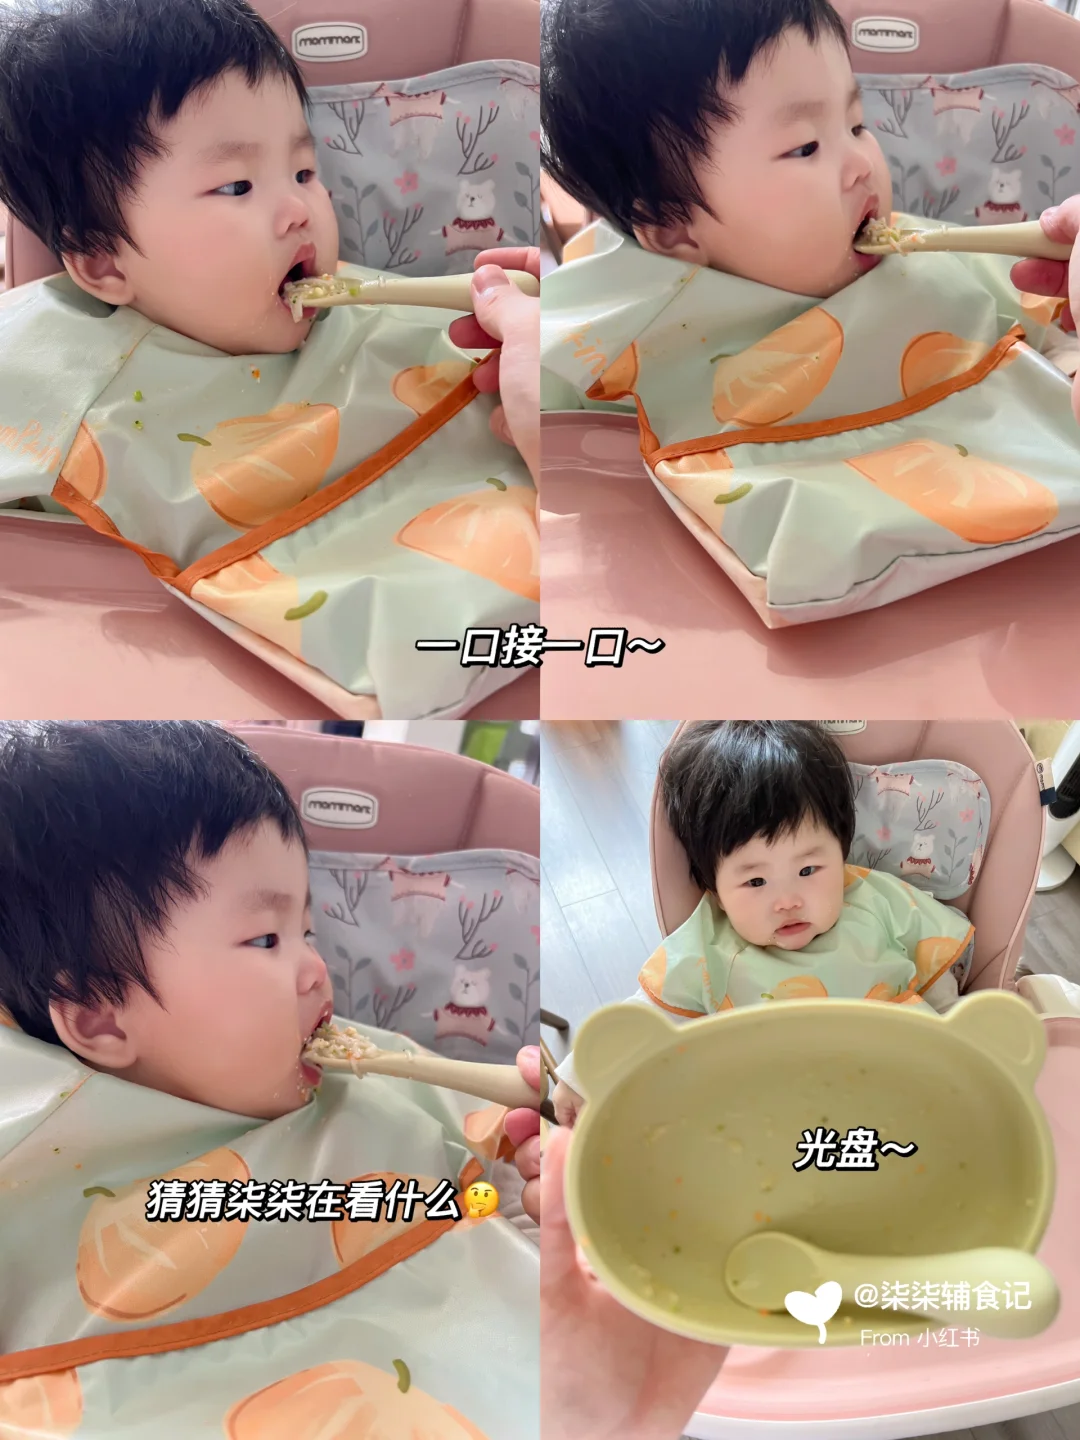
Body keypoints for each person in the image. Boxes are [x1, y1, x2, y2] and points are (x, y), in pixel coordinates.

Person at [0, 0, 538, 718]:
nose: (299, 210)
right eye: (237, 187)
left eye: (305, 171)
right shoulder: (55, 368)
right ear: (102, 263)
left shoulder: (416, 317)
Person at [0, 721, 538, 1436]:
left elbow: (490, 1189)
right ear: (101, 1018)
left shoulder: (366, 1080)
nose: (317, 967)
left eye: (307, 933)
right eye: (265, 939)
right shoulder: (29, 1150)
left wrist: (534, 1163)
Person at [539, 0, 1080, 629]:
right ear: (671, 227)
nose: (862, 164)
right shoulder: (624, 326)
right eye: (805, 147)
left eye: (856, 124)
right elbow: (550, 447)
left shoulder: (938, 258)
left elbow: (1047, 329)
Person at [552, 722, 973, 1125]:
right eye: (755, 882)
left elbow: (939, 991)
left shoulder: (879, 901)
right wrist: (582, 1074)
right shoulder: (709, 945)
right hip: (770, 1114)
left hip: (900, 1086)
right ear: (715, 889)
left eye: (808, 870)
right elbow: (644, 1020)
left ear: (841, 850)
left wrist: (963, 1043)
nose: (787, 901)